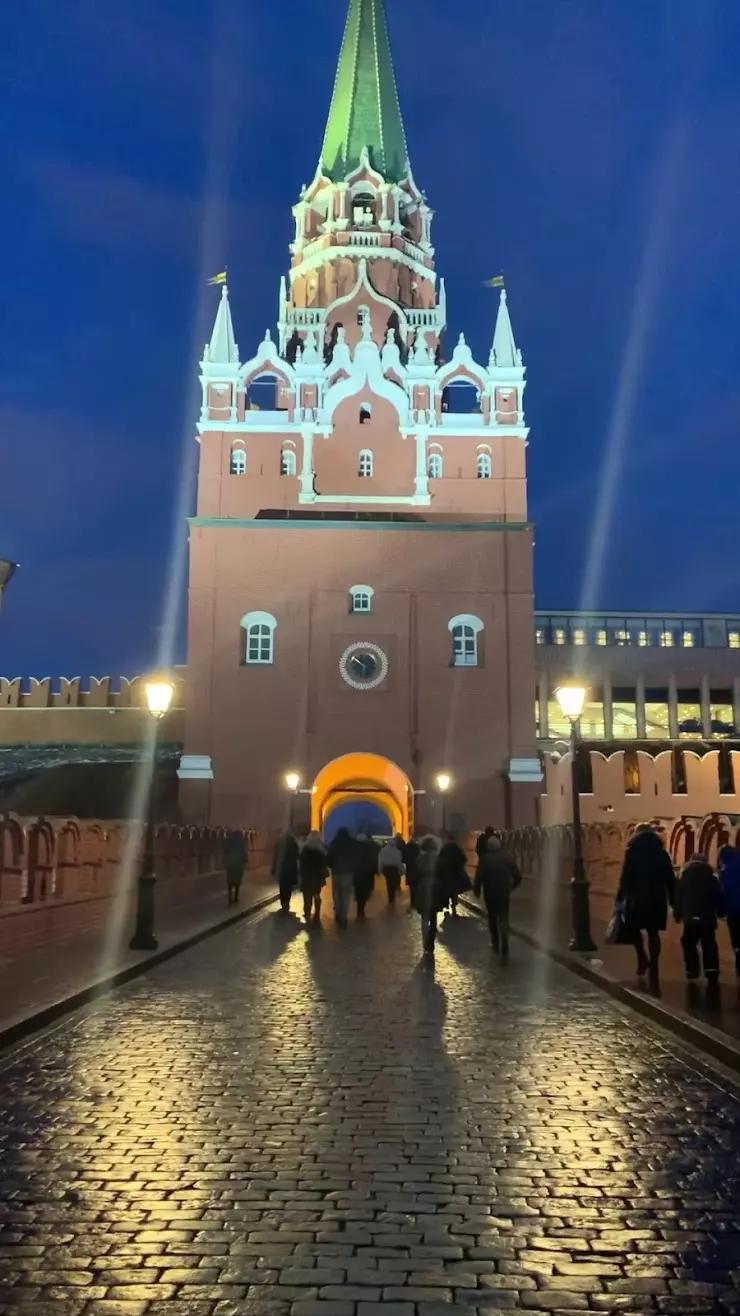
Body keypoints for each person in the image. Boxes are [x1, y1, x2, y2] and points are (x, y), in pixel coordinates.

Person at [616, 822, 676, 979]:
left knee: (634, 929)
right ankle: (654, 964)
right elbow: (670, 878)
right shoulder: (662, 853)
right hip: (657, 897)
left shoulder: (632, 852)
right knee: (653, 932)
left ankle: (642, 958)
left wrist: (620, 897)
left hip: (636, 897)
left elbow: (626, 877)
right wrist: (674, 900)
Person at [674, 852, 723, 982]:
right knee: (709, 943)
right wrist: (721, 911)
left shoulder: (684, 878)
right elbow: (718, 896)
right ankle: (711, 970)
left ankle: (692, 970)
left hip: (690, 917)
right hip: (707, 917)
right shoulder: (712, 878)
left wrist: (677, 914)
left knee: (689, 942)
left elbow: (678, 897)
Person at [474, 835, 522, 962]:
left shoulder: (484, 859)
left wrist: (477, 890)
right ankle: (504, 941)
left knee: (492, 917)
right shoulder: (507, 857)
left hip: (490, 892)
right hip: (504, 892)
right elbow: (517, 875)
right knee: (504, 916)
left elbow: (479, 877)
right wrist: (512, 886)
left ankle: (495, 942)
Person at [414, 835, 442, 955]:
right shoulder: (438, 858)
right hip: (435, 886)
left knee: (424, 917)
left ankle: (425, 941)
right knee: (434, 915)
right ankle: (431, 941)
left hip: (423, 886)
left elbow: (415, 875)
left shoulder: (420, 859)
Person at [327, 827, 356, 927]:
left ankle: (338, 914)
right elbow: (356, 858)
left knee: (336, 894)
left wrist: (332, 866)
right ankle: (343, 916)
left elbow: (329, 857)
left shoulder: (333, 843)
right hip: (348, 873)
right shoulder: (352, 843)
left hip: (336, 872)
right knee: (345, 896)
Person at [718, 845, 740, 974]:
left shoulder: (725, 872)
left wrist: (721, 910)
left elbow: (723, 893)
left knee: (737, 939)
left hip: (734, 911)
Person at [436, 833, 469, 915]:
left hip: (446, 873)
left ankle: (446, 904)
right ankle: (454, 906)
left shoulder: (444, 849)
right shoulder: (457, 849)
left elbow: (439, 860)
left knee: (446, 890)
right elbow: (464, 859)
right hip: (455, 873)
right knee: (454, 891)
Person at [299, 831, 328, 923]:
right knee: (316, 894)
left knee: (307, 895)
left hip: (307, 876)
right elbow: (324, 863)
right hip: (317, 877)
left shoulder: (304, 849)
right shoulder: (321, 850)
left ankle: (307, 912)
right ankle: (317, 912)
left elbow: (301, 863)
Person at [272, 829, 299, 913]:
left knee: (282, 887)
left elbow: (275, 858)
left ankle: (283, 904)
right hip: (290, 870)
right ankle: (286, 903)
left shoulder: (279, 844)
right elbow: (297, 856)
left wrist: (273, 869)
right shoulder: (294, 844)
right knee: (288, 888)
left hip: (281, 869)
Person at [353, 833, 380, 917]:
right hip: (367, 872)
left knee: (358, 890)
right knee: (365, 890)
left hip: (357, 873)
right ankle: (361, 908)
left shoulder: (354, 848)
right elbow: (373, 859)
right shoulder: (370, 848)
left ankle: (359, 908)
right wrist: (375, 870)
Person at [378, 836, 404, 905]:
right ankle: (392, 896)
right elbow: (399, 862)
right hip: (394, 869)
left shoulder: (383, 851)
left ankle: (390, 897)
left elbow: (380, 861)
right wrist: (401, 871)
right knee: (393, 883)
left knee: (388, 883)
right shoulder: (398, 852)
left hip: (386, 868)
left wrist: (379, 870)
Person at [223, 830, 246, 907]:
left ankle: (229, 897)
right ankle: (235, 897)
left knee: (230, 881)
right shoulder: (241, 841)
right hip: (238, 864)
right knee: (237, 881)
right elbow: (244, 852)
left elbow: (225, 851)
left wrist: (225, 861)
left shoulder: (228, 840)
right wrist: (245, 860)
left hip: (230, 863)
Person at [402, 835, 421, 909]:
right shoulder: (417, 847)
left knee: (411, 885)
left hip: (409, 868)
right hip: (416, 867)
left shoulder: (406, 847)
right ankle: (416, 900)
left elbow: (403, 858)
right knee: (416, 885)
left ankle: (412, 901)